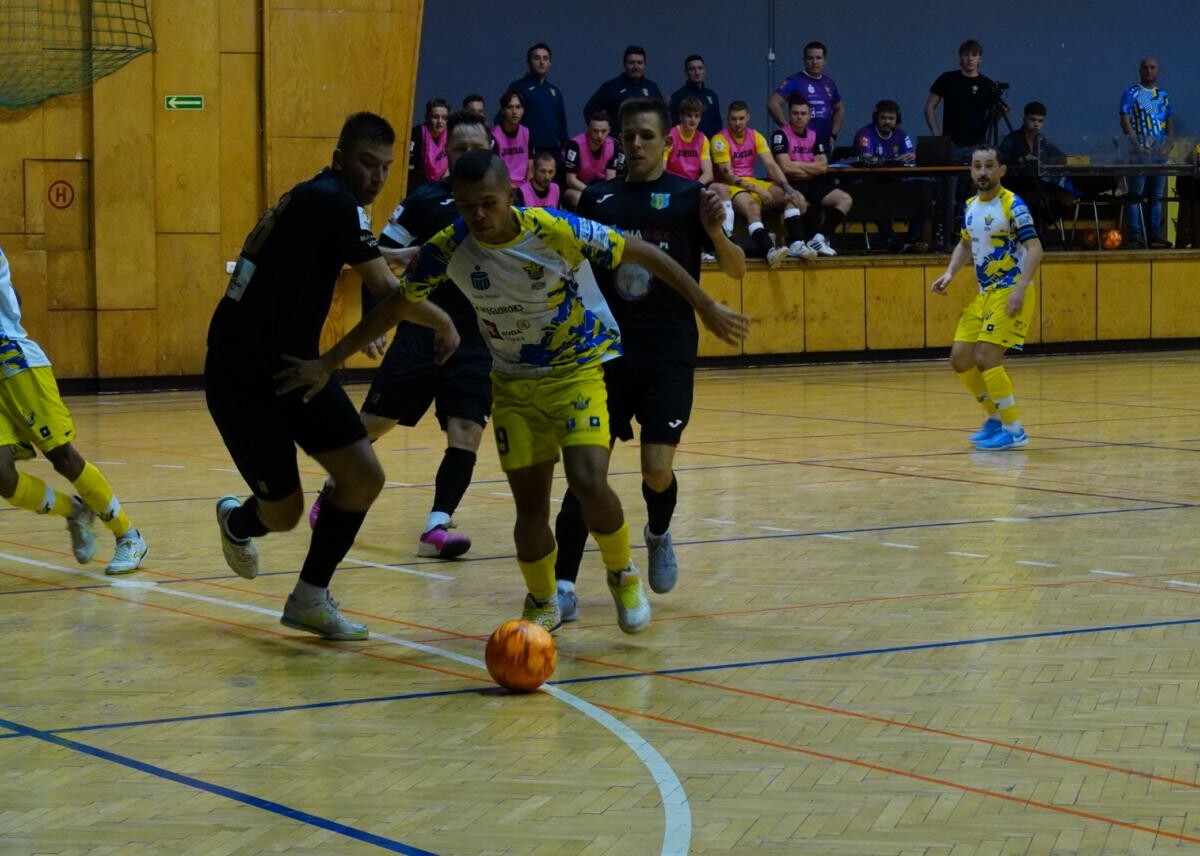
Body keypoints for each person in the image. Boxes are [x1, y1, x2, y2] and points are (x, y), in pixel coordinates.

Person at [389, 149, 750, 635]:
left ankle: (624, 570)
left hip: (586, 364)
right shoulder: (452, 245)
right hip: (514, 382)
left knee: (596, 477)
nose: (477, 214)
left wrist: (705, 304)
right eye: (466, 205)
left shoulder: (553, 226)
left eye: (488, 203)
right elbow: (395, 300)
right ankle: (546, 597)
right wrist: (331, 360)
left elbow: (647, 253)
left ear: (509, 196)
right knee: (531, 510)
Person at [205, 112, 460, 641]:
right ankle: (237, 521)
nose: (378, 177)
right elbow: (389, 294)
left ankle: (309, 598)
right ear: (341, 158)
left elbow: (335, 252)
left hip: (298, 366)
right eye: (368, 163)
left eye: (388, 167)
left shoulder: (325, 199)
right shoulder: (334, 200)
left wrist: (392, 252)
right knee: (284, 514)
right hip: (242, 375)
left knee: (363, 476)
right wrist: (443, 321)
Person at [553, 97, 746, 621]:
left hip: (668, 353)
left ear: (666, 142)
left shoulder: (690, 198)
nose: (635, 144)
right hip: (604, 356)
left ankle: (657, 533)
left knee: (656, 470)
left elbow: (736, 269)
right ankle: (563, 586)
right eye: (628, 136)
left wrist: (714, 231)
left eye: (645, 136)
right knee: (585, 473)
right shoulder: (597, 199)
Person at [310, 109, 494, 560]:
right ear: (445, 153)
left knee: (466, 428)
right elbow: (376, 254)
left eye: (477, 148)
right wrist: (378, 321)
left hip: (474, 340)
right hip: (417, 330)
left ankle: (438, 523)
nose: (468, 155)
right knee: (376, 423)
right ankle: (334, 486)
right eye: (459, 148)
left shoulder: (506, 205)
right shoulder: (422, 201)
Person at [0, 246, 147, 575]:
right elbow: (15, 295)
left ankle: (129, 535)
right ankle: (74, 511)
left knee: (62, 457)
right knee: (2, 475)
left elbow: (15, 297)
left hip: (16, 365)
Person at [931, 144, 1043, 451]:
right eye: (977, 166)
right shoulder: (970, 206)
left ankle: (1015, 429)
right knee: (961, 358)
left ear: (1001, 170)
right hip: (985, 294)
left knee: (986, 357)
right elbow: (965, 245)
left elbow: (1035, 249)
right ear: (971, 170)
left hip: (1010, 290)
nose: (983, 172)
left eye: (989, 166)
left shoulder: (1012, 205)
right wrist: (950, 274)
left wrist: (1021, 287)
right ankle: (995, 418)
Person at [711, 100, 804, 265]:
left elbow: (771, 164)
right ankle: (769, 251)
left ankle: (797, 244)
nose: (738, 123)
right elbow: (728, 176)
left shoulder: (755, 136)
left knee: (792, 198)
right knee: (752, 207)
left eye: (741, 118)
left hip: (753, 182)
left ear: (748, 117)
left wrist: (787, 187)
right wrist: (758, 190)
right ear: (728, 119)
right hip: (732, 186)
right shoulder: (719, 140)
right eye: (733, 119)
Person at [770, 96, 853, 257]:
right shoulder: (780, 135)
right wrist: (810, 167)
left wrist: (796, 164)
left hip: (812, 183)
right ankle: (796, 243)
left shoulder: (815, 136)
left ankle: (818, 239)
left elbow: (822, 166)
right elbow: (785, 167)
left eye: (803, 113)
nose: (799, 117)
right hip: (789, 183)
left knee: (845, 199)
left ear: (809, 116)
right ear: (789, 115)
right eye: (795, 113)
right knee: (795, 199)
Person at [852, 99, 931, 252]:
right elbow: (866, 157)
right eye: (883, 118)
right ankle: (893, 242)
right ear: (877, 118)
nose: (887, 122)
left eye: (891, 118)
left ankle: (913, 239)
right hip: (871, 184)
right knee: (881, 195)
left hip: (896, 181)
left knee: (923, 191)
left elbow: (911, 152)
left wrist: (910, 156)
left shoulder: (901, 134)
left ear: (897, 120)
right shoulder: (865, 134)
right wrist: (893, 160)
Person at [998, 101, 1076, 239]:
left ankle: (1042, 225)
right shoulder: (1012, 138)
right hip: (1015, 184)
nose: (1036, 124)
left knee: (1067, 197)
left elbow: (1059, 156)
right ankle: (1031, 229)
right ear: (1024, 118)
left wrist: (1069, 160)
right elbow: (1002, 160)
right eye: (1032, 119)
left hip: (1037, 182)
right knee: (1035, 196)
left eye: (1040, 121)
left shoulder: (1043, 141)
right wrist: (1020, 159)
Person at [1119, 57, 1174, 248]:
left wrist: (1169, 144)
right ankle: (1135, 235)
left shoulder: (1163, 95)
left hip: (1159, 154)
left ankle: (1155, 235)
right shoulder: (1131, 93)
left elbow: (1169, 121)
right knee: (1135, 194)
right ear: (1139, 70)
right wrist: (1136, 145)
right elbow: (1125, 121)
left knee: (1157, 195)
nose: (1149, 71)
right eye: (1145, 67)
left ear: (1158, 71)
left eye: (1152, 67)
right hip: (1139, 153)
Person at [924, 39, 1003, 161]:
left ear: (980, 59)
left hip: (977, 146)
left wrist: (999, 114)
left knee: (975, 179)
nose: (970, 59)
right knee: (949, 179)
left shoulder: (988, 85)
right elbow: (929, 107)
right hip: (952, 144)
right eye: (966, 55)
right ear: (960, 58)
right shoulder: (947, 79)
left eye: (974, 55)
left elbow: (989, 120)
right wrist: (938, 137)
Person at [767, 41, 845, 152]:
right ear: (804, 60)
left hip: (823, 143)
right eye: (810, 58)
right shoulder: (794, 81)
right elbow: (772, 104)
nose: (814, 62)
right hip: (800, 144)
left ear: (825, 61)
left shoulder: (829, 83)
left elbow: (840, 109)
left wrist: (833, 135)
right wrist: (788, 130)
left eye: (818, 58)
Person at [500, 42, 569, 161]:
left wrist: (565, 144)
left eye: (545, 58)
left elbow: (562, 123)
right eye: (537, 58)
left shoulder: (555, 91)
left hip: (553, 150)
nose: (542, 62)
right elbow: (504, 117)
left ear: (550, 63)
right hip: (528, 149)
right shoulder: (518, 87)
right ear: (529, 62)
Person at [582, 45, 663, 128]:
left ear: (644, 65)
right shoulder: (611, 87)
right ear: (624, 64)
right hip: (618, 139)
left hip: (645, 139)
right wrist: (602, 135)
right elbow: (589, 110)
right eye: (631, 63)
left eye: (639, 63)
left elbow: (662, 114)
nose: (635, 67)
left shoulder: (652, 87)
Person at [562, 112, 621, 210]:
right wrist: (592, 193)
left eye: (603, 131)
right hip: (576, 187)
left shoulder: (613, 145)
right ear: (588, 130)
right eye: (595, 131)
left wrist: (605, 195)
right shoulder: (574, 145)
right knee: (579, 198)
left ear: (609, 130)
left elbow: (610, 179)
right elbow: (570, 180)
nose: (599, 135)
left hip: (598, 187)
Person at [669, 54, 722, 139]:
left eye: (700, 68)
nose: (697, 72)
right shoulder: (677, 97)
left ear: (704, 70)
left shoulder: (712, 96)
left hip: (710, 147)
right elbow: (675, 127)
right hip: (688, 147)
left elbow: (718, 124)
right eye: (692, 69)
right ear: (686, 72)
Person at [407, 98, 450, 191]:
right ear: (427, 117)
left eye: (444, 118)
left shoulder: (450, 138)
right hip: (417, 188)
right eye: (435, 117)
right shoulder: (416, 134)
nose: (440, 121)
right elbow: (410, 169)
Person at [493, 91, 532, 187]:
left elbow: (531, 165)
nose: (514, 112)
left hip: (523, 186)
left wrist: (527, 189)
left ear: (523, 110)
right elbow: (493, 169)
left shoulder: (526, 133)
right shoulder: (494, 135)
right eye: (510, 107)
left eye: (518, 107)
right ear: (502, 111)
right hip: (502, 185)